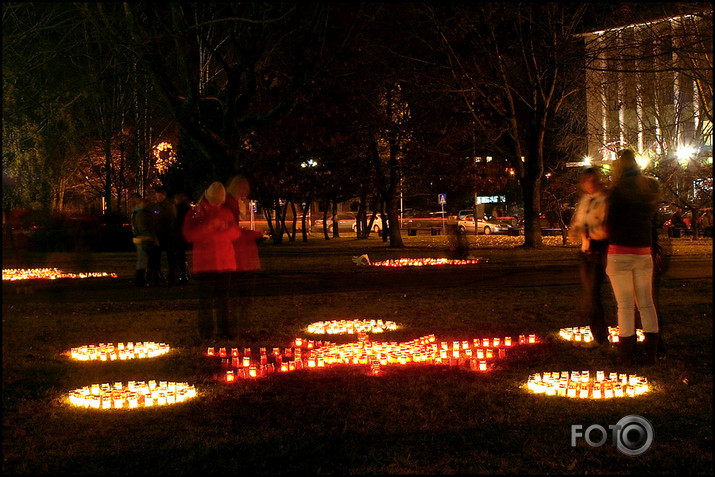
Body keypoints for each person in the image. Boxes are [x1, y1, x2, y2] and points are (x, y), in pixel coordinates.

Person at [605, 149, 661, 366]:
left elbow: (608, 222)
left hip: (619, 252)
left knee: (625, 305)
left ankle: (626, 355)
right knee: (646, 304)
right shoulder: (649, 188)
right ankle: (650, 355)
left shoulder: (615, 191)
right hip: (643, 251)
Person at [182, 181, 241, 340]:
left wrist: (226, 229)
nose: (216, 204)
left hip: (225, 263)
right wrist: (208, 227)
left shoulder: (226, 213)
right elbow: (189, 235)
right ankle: (206, 333)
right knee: (206, 302)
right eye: (214, 200)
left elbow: (235, 233)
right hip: (206, 263)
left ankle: (225, 331)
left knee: (224, 301)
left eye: (218, 201)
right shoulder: (197, 213)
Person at [568, 167, 609, 348]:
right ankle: (598, 332)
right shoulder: (585, 201)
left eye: (593, 180)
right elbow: (578, 223)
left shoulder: (604, 201)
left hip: (600, 251)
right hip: (586, 251)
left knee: (593, 293)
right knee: (591, 293)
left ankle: (600, 336)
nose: (589, 184)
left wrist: (593, 230)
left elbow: (605, 226)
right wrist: (576, 230)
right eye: (587, 180)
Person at [225, 175, 264, 333]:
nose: (245, 197)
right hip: (241, 259)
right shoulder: (230, 205)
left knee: (234, 296)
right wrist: (253, 235)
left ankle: (235, 325)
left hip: (234, 258)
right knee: (243, 296)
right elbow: (233, 232)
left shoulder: (226, 204)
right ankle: (242, 327)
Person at [147, 185, 178, 286]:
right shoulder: (157, 206)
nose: (158, 197)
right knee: (157, 257)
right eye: (157, 195)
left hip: (167, 235)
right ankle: (158, 276)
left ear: (164, 195)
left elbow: (171, 220)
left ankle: (172, 276)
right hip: (159, 235)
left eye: (159, 195)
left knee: (169, 256)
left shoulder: (168, 206)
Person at [130, 195, 158, 287]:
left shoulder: (137, 213)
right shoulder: (143, 214)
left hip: (140, 238)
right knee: (144, 259)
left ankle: (141, 278)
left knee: (142, 259)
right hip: (145, 239)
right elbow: (146, 227)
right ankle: (142, 279)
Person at [173, 191, 192, 284]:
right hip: (183, 235)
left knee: (180, 256)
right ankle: (184, 274)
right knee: (181, 256)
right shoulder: (187, 210)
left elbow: (177, 223)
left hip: (179, 236)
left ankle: (183, 275)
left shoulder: (179, 210)